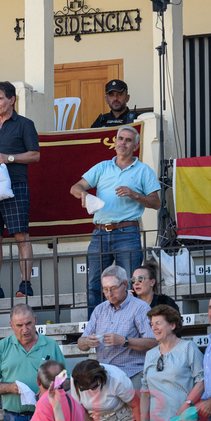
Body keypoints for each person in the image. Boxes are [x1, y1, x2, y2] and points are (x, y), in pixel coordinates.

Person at [72, 125, 159, 309]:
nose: (123, 143)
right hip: (100, 234)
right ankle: (94, 332)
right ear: (115, 142)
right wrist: (84, 195)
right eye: (120, 138)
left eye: (128, 140)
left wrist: (134, 194)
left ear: (135, 146)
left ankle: (127, 329)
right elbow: (75, 187)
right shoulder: (102, 167)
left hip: (127, 232)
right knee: (94, 286)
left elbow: (156, 203)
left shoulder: (143, 170)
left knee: (128, 286)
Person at [0, 82, 40, 299]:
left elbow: (35, 155)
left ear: (12, 100)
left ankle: (26, 284)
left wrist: (9, 158)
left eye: (0, 98)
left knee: (21, 235)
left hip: (16, 184)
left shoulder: (25, 124)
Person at [76, 265, 156, 388]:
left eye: (113, 288)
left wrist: (124, 341)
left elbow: (153, 343)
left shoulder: (140, 307)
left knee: (134, 405)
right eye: (105, 289)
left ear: (125, 284)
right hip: (104, 374)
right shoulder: (99, 309)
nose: (109, 294)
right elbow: (81, 344)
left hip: (131, 373)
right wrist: (87, 341)